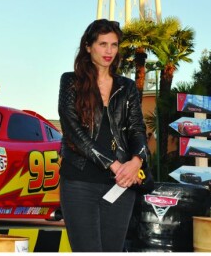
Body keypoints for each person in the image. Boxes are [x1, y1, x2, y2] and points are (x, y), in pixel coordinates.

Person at [58, 19, 149, 252]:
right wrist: (115, 165)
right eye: (103, 44)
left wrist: (136, 162)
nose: (109, 51)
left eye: (114, 45)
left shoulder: (127, 86)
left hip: (120, 185)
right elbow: (74, 133)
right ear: (88, 47)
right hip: (80, 181)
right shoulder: (71, 81)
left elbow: (137, 129)